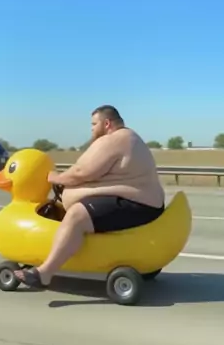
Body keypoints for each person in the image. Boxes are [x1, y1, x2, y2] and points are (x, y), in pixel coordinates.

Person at [13, 105, 165, 288]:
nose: (92, 129)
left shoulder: (115, 140)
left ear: (106, 124)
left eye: (94, 124)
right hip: (146, 204)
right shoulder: (130, 137)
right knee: (83, 209)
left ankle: (44, 273)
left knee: (77, 215)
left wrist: (54, 178)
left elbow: (81, 172)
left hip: (138, 206)